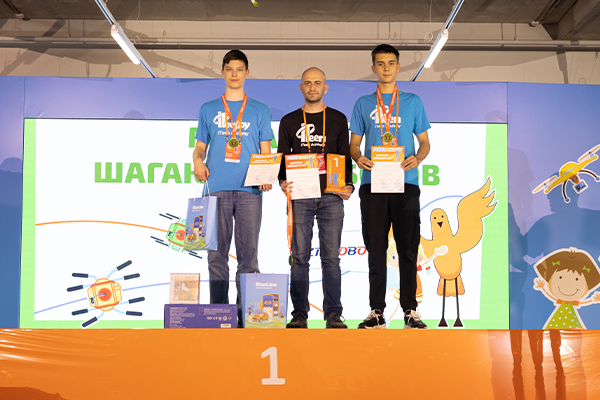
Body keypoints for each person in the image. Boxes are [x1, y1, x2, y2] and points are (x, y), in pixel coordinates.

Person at [349, 44, 431, 329]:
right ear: (374, 68)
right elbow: (354, 144)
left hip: (405, 183)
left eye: (391, 63)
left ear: (398, 66)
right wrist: (357, 158)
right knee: (376, 248)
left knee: (408, 248)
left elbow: (425, 143)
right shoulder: (362, 104)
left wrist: (417, 158)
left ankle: (410, 310)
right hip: (373, 184)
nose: (386, 68)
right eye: (381, 64)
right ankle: (376, 311)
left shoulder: (413, 102)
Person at [193, 49, 273, 326]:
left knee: (248, 257)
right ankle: (218, 315)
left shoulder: (260, 110)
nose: (234, 74)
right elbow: (200, 147)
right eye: (229, 69)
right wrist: (197, 161)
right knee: (216, 256)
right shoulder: (207, 109)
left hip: (250, 189)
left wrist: (267, 174)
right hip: (216, 187)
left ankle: (246, 317)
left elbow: (266, 150)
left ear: (247, 73)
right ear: (223, 72)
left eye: (239, 69)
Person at [277, 67, 354, 329]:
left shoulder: (338, 118)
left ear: (325, 87)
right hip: (300, 196)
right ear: (301, 88)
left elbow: (344, 156)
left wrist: (348, 185)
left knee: (331, 258)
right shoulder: (289, 120)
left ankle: (333, 314)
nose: (312, 87)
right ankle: (299, 314)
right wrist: (282, 180)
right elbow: (282, 157)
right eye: (308, 83)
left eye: (317, 83)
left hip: (331, 195)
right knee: (299, 257)